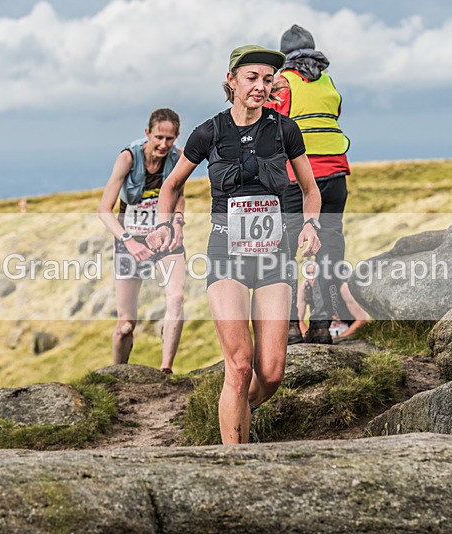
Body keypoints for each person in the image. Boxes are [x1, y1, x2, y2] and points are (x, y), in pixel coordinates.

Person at [147, 45, 322, 444]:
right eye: (252, 78)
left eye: (267, 80)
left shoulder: (284, 130)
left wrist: (311, 226)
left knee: (271, 373)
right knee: (240, 365)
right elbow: (171, 186)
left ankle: (240, 408)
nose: (260, 86)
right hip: (226, 254)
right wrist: (163, 226)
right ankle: (234, 458)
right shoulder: (209, 132)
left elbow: (310, 190)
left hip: (274, 257)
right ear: (231, 81)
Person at [265, 24, 352, 345]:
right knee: (329, 252)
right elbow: (335, 114)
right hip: (336, 177)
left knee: (285, 251)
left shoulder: (282, 83)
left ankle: (290, 326)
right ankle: (321, 327)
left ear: (284, 56)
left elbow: (268, 125)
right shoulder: (329, 82)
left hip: (297, 181)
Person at [98, 108, 187, 374]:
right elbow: (104, 210)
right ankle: (116, 375)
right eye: (158, 137)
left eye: (170, 139)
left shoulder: (178, 157)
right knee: (126, 325)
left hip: (164, 236)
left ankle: (165, 370)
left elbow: (179, 195)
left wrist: (178, 223)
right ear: (147, 133)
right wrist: (129, 241)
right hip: (131, 237)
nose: (163, 144)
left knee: (176, 299)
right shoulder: (128, 158)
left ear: (177, 137)